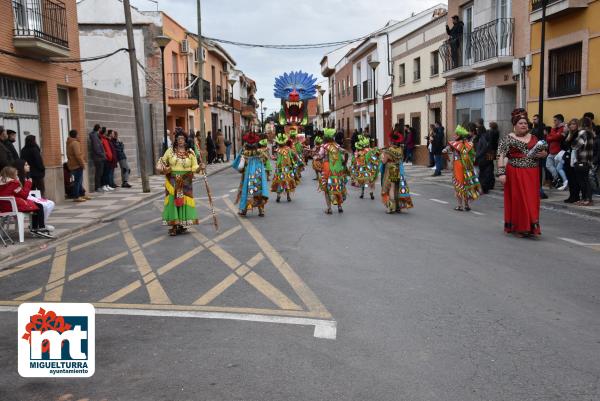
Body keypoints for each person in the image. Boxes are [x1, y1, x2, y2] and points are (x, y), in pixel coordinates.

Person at [497, 108, 547, 237]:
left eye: (525, 123)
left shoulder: (534, 138)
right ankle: (520, 227)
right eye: (520, 123)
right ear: (514, 125)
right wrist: (501, 173)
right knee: (519, 200)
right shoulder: (507, 139)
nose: (524, 125)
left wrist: (543, 154)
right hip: (515, 173)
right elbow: (501, 156)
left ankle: (530, 226)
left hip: (532, 173)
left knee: (531, 200)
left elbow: (543, 152)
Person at [157, 130, 203, 236]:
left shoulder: (190, 152)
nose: (180, 141)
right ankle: (174, 225)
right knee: (173, 199)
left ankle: (182, 224)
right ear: (176, 140)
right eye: (178, 139)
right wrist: (162, 168)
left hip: (186, 180)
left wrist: (200, 167)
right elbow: (162, 162)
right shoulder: (170, 151)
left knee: (184, 201)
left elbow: (194, 167)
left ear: (185, 140)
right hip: (172, 179)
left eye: (182, 139)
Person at [0, 166, 53, 238]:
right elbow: (24, 195)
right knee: (38, 206)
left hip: (3, 207)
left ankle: (36, 228)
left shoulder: (2, 183)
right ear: (11, 175)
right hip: (13, 206)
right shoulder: (14, 183)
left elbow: (13, 193)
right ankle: (39, 227)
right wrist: (28, 183)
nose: (17, 176)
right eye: (16, 174)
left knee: (35, 205)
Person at [443, 125, 481, 211]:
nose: (454, 136)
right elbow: (473, 155)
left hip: (458, 166)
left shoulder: (455, 144)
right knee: (467, 184)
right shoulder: (469, 144)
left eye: (456, 134)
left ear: (459, 135)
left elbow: (445, 149)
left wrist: (445, 151)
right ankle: (467, 205)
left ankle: (460, 205)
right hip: (467, 165)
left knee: (459, 185)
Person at [232, 132, 269, 217]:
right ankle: (261, 210)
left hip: (247, 177)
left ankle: (244, 210)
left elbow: (240, 166)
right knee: (259, 191)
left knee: (245, 191)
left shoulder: (244, 152)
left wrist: (241, 170)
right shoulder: (259, 152)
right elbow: (266, 159)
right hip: (258, 176)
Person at [315, 128, 348, 214]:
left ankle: (329, 208)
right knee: (337, 187)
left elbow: (319, 156)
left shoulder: (324, 147)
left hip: (327, 169)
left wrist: (316, 157)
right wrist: (344, 163)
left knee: (326, 189)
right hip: (337, 170)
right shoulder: (337, 146)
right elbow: (345, 153)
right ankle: (339, 206)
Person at [380, 129, 413, 214]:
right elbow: (401, 159)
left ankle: (391, 207)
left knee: (390, 188)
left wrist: (382, 155)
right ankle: (398, 207)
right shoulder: (400, 150)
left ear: (391, 141)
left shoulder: (388, 151)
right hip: (398, 169)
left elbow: (384, 161)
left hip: (390, 169)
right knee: (396, 188)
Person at [572, 117, 595, 206]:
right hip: (588, 160)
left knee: (583, 181)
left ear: (582, 124)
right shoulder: (591, 134)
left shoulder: (583, 134)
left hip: (582, 160)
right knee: (585, 180)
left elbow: (575, 145)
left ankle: (587, 199)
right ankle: (585, 199)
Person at [271, 133, 298, 203]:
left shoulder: (277, 150)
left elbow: (276, 158)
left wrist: (274, 158)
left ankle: (278, 196)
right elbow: (295, 155)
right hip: (287, 168)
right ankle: (288, 196)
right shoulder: (288, 149)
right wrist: (294, 161)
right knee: (287, 181)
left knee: (279, 181)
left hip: (279, 169)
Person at [350, 134, 380, 200]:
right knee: (371, 181)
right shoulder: (370, 150)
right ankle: (371, 192)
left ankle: (362, 193)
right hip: (370, 168)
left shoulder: (358, 153)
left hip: (361, 168)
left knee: (362, 181)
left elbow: (354, 161)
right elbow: (376, 156)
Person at [546, 114, 567, 189]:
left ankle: (560, 181)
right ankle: (557, 179)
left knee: (557, 167)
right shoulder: (553, 128)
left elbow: (558, 137)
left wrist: (552, 136)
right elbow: (548, 138)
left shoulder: (563, 128)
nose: (553, 122)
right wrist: (553, 135)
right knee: (548, 165)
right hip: (551, 151)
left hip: (558, 151)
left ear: (559, 120)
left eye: (555, 120)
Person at [66, 129, 88, 202]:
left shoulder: (69, 142)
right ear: (76, 135)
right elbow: (78, 155)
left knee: (79, 180)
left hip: (72, 164)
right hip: (77, 165)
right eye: (78, 134)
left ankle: (82, 194)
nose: (79, 136)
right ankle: (76, 196)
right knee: (78, 181)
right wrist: (82, 164)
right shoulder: (75, 143)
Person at [563, 119, 581, 204]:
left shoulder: (578, 134)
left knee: (574, 179)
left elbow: (575, 146)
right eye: (570, 124)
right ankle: (571, 196)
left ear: (577, 125)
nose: (571, 126)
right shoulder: (569, 134)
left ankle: (576, 196)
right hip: (567, 158)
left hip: (574, 159)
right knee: (570, 178)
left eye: (574, 124)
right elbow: (563, 146)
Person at [88, 124, 106, 192]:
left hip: (99, 157)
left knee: (99, 172)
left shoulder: (96, 136)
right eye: (100, 129)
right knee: (99, 173)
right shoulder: (94, 136)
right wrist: (103, 155)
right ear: (99, 129)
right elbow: (96, 148)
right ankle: (97, 187)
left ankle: (98, 186)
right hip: (98, 158)